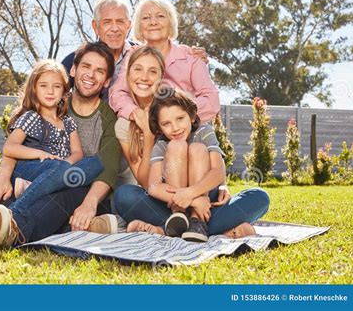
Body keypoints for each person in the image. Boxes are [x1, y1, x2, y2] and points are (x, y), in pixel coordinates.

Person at [0, 42, 121, 247]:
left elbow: (105, 168)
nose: (91, 75)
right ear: (73, 70)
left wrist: (88, 203)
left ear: (107, 80)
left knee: (69, 188)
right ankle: (74, 227)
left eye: (99, 71)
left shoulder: (108, 119)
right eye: (86, 66)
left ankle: (15, 228)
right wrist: (3, 176)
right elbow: (13, 148)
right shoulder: (50, 100)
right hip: (33, 180)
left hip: (80, 193)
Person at [114, 87, 270, 240]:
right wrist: (194, 201)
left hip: (207, 200)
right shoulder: (161, 144)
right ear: (159, 127)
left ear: (192, 116)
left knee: (260, 197)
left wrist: (190, 193)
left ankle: (180, 225)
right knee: (124, 195)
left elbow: (217, 172)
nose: (175, 128)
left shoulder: (204, 132)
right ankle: (187, 220)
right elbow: (153, 187)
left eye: (180, 118)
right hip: (174, 206)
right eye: (166, 124)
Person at [109, 0, 220, 124]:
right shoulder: (133, 55)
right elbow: (118, 93)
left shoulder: (192, 57)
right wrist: (135, 112)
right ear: (139, 26)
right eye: (146, 18)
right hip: (145, 125)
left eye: (160, 16)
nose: (153, 22)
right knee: (123, 125)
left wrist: (177, 115)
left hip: (185, 128)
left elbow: (211, 99)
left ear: (171, 23)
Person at [114, 45, 164, 187]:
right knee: (125, 195)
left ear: (161, 77)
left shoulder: (174, 109)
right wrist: (149, 135)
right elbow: (144, 181)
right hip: (156, 191)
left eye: (153, 71)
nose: (144, 77)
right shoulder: (123, 125)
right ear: (128, 74)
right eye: (137, 69)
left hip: (190, 186)